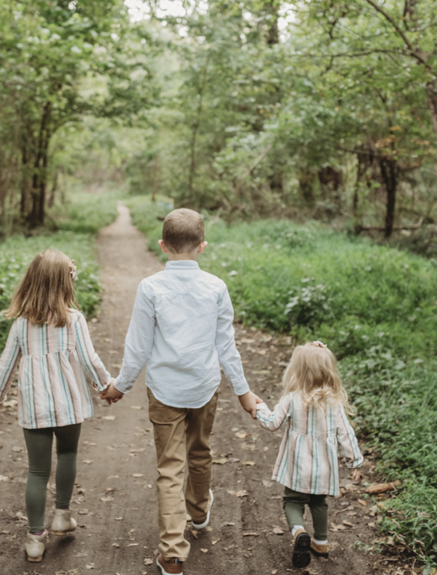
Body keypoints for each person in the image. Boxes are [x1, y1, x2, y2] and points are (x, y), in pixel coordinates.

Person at [100, 208, 261, 575]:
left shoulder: (151, 287)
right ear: (202, 246)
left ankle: (172, 553)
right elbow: (226, 346)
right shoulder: (216, 287)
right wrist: (244, 393)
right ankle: (199, 513)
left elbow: (138, 346)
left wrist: (119, 387)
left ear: (162, 246)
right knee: (200, 451)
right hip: (204, 387)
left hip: (165, 391)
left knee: (169, 467)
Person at [0, 249, 111, 563]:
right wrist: (106, 386)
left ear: (32, 281)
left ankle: (35, 537)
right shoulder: (74, 320)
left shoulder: (20, 326)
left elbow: (6, 364)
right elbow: (88, 359)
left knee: (37, 471)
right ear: (65, 284)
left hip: (35, 407)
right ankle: (62, 515)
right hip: (69, 403)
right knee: (68, 453)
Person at [255, 341, 363, 569]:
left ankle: (299, 531)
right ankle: (321, 542)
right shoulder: (334, 403)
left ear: (298, 371)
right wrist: (355, 461)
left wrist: (258, 409)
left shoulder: (292, 398)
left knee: (292, 500)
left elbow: (273, 423)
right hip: (323, 467)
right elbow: (346, 433)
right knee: (319, 501)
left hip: (296, 465)